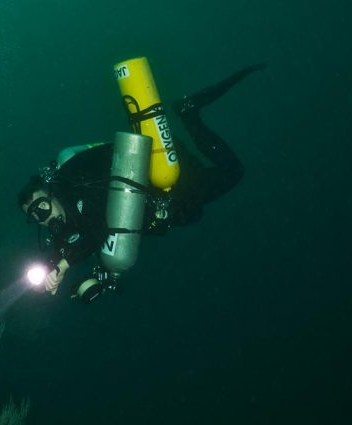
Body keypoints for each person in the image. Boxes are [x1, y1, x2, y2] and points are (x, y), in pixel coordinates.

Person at [17, 63, 266, 302]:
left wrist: (64, 264)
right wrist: (56, 269)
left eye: (41, 207)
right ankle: (188, 114)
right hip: (164, 193)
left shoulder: (75, 181)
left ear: (51, 193)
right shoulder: (66, 221)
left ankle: (189, 114)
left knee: (232, 172)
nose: (43, 218)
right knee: (210, 188)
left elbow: (96, 228)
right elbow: (80, 242)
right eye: (35, 217)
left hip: (162, 173)